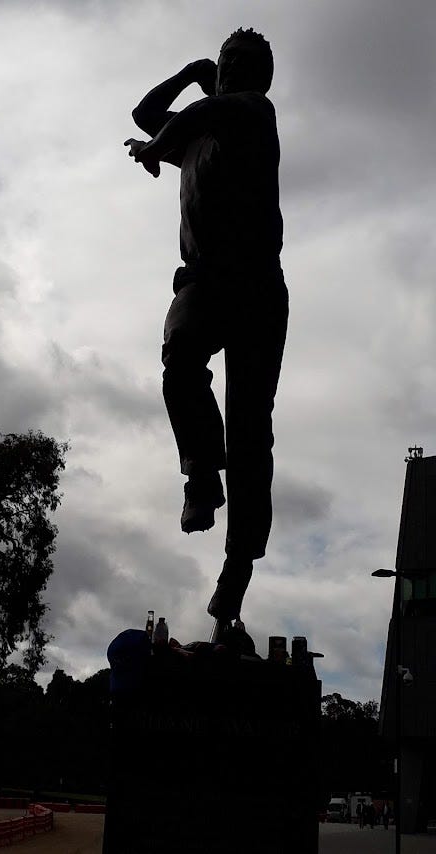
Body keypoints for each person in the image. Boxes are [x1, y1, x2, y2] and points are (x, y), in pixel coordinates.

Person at [126, 28, 288, 621]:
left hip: (256, 287)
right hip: (203, 281)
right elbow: (147, 114)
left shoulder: (252, 112)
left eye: (247, 63)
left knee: (251, 432)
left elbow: (199, 112)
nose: (235, 70)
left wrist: (153, 148)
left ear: (262, 77)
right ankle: (200, 472)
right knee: (180, 353)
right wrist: (192, 68)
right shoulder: (195, 134)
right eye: (228, 62)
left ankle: (237, 567)